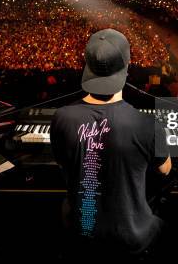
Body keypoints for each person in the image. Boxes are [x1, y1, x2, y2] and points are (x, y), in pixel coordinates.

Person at [50, 28, 171, 257]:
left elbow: (63, 166)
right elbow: (164, 170)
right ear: (127, 66)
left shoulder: (61, 117)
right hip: (132, 235)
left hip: (80, 230)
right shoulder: (146, 124)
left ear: (87, 66)